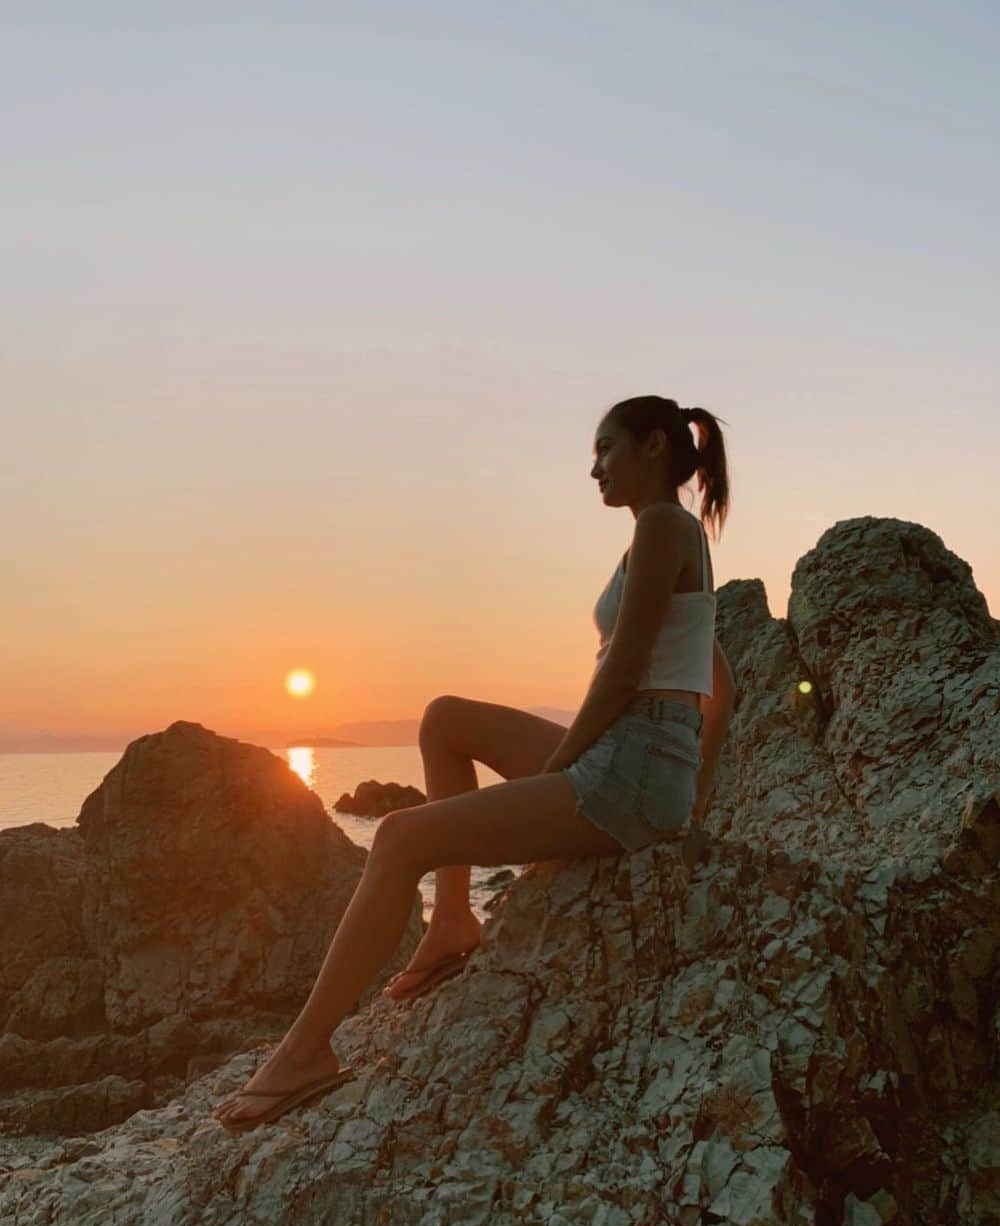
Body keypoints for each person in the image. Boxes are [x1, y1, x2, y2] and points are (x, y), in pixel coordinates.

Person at [211, 394, 737, 1130]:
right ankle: (453, 919)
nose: (593, 468)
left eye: (606, 448)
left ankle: (305, 1053)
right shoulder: (674, 537)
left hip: (629, 767)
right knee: (443, 720)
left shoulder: (661, 527)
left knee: (398, 838)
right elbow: (725, 688)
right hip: (644, 765)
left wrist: (576, 771)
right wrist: (690, 808)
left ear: (653, 446)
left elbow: (622, 676)